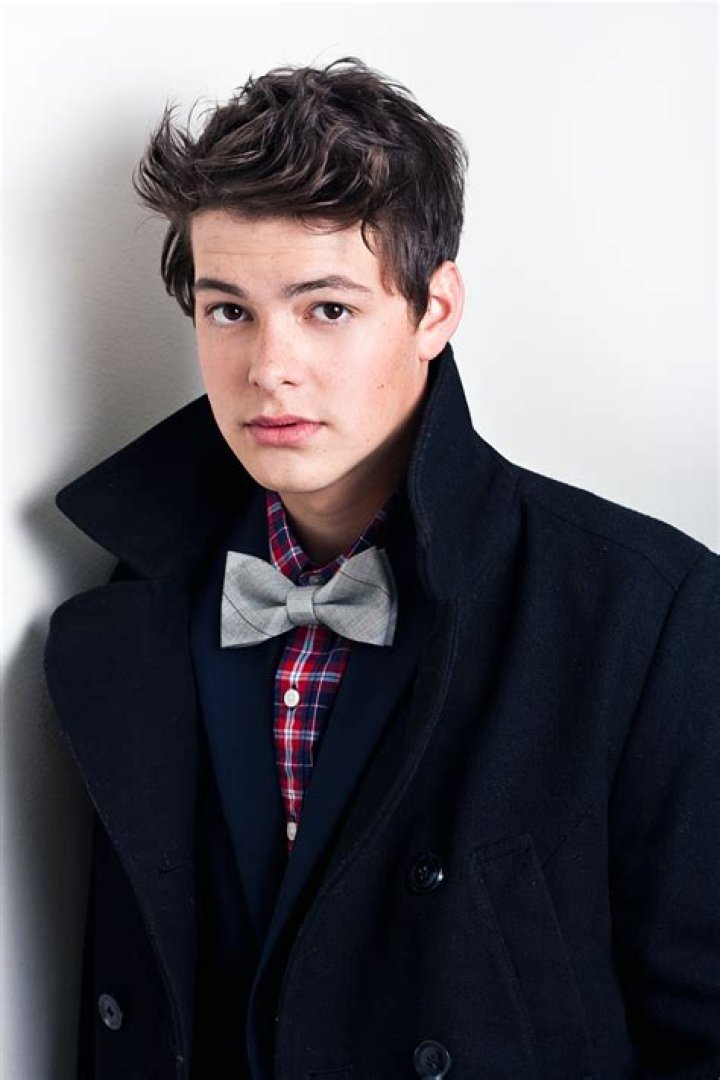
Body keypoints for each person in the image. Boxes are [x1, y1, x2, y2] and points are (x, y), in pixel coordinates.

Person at [45, 58, 719, 1080]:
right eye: (229, 310)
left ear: (435, 310)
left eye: (327, 309)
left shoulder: (645, 614)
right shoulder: (134, 606)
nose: (269, 367)